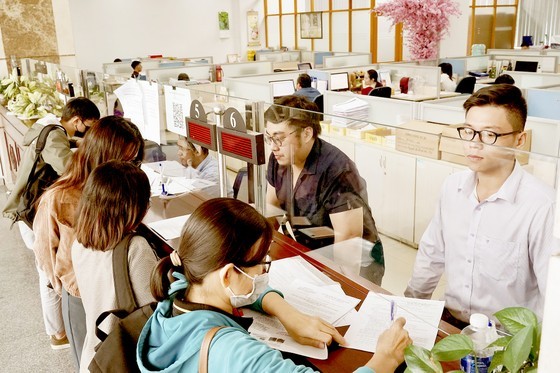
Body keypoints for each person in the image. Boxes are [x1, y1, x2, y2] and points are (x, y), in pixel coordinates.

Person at [137, 198, 411, 372]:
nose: (264, 272)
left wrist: (285, 311)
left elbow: (246, 290)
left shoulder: (178, 289)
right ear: (228, 274)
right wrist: (383, 361)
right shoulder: (234, 352)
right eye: (260, 263)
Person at [405, 84, 559, 327]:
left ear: (520, 140)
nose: (474, 144)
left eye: (489, 134)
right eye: (468, 131)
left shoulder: (542, 207)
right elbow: (432, 254)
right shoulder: (452, 188)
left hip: (507, 340)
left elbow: (553, 296)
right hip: (451, 321)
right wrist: (409, 309)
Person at [33, 116, 144, 369]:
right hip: (83, 299)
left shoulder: (118, 192)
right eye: (125, 160)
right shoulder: (59, 198)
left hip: (119, 299)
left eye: (135, 161)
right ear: (101, 154)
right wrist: (72, 288)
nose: (131, 168)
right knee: (93, 364)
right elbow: (46, 258)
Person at [2, 97, 100, 350]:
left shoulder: (49, 127)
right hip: (33, 214)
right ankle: (57, 333)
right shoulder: (55, 135)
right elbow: (68, 168)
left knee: (47, 269)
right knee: (47, 273)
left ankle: (57, 328)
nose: (88, 131)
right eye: (87, 126)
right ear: (77, 120)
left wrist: (76, 142)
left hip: (29, 209)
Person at [264, 95, 384, 285]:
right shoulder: (280, 159)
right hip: (316, 246)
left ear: (306, 133)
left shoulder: (337, 170)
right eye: (269, 138)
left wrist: (339, 287)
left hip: (357, 256)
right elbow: (272, 207)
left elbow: (349, 239)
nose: (273, 147)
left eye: (278, 139)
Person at [72, 160, 158, 372]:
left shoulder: (80, 243)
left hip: (96, 355)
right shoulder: (135, 248)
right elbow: (154, 312)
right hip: (124, 357)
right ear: (132, 207)